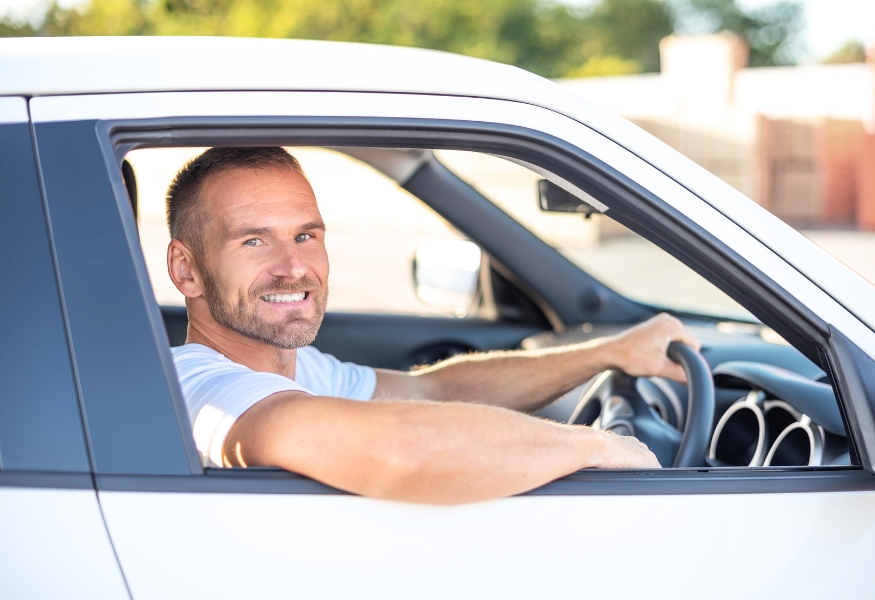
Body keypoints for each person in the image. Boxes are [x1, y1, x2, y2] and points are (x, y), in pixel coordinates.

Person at [166, 146, 700, 505]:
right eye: (254, 241)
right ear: (186, 270)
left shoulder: (302, 371)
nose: (294, 266)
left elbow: (434, 388)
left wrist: (609, 353)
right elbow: (407, 447)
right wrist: (600, 448)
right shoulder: (203, 388)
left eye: (306, 235)